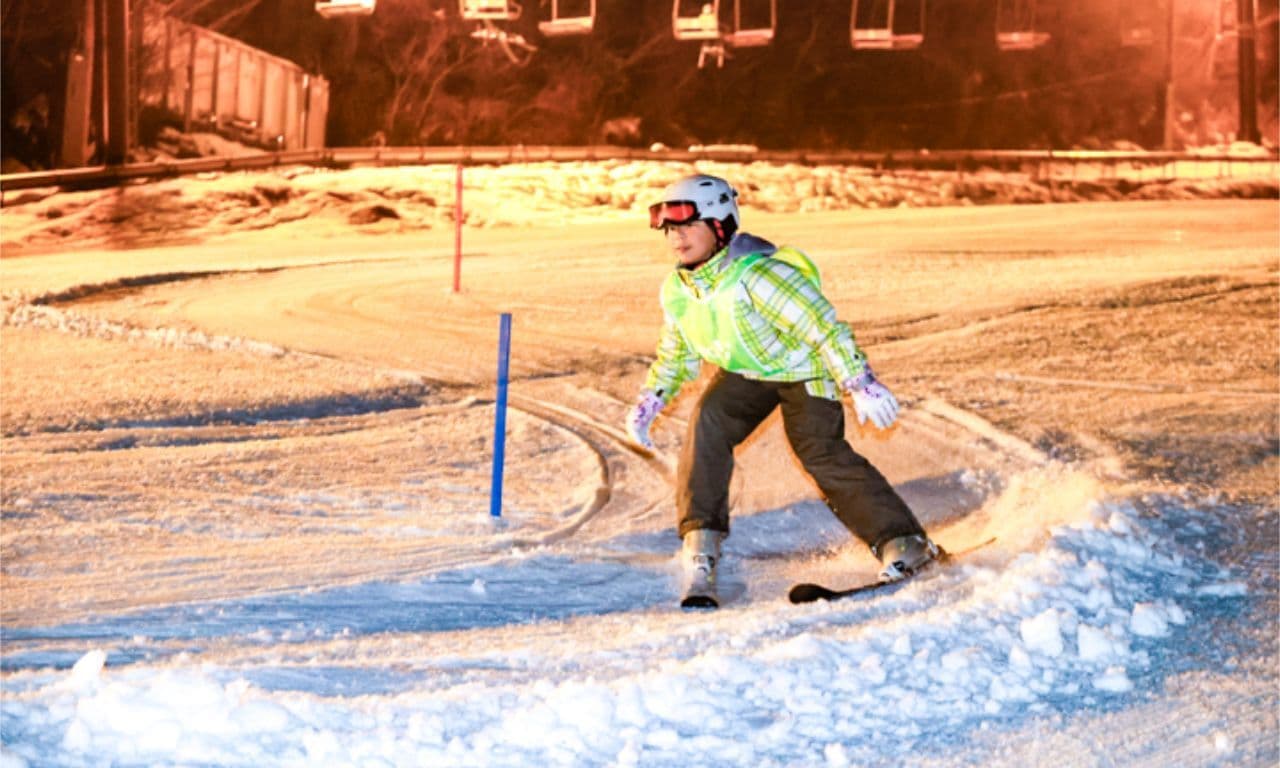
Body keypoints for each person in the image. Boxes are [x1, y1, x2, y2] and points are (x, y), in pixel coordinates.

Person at [626, 173, 936, 608]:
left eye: (688, 225)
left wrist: (860, 382)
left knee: (818, 450)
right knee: (708, 424)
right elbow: (676, 353)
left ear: (720, 225)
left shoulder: (761, 276)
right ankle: (700, 549)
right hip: (748, 372)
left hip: (802, 368)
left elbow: (822, 327)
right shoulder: (679, 290)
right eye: (670, 229)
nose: (677, 238)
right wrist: (651, 400)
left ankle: (904, 542)